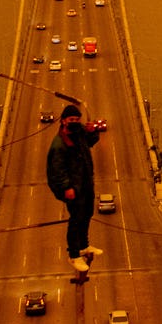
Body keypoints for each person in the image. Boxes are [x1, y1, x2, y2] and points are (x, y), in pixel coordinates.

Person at [46, 104, 102, 272]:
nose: (75, 122)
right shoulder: (60, 144)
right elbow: (57, 169)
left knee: (87, 214)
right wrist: (66, 188)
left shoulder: (79, 133)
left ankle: (84, 245)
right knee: (76, 219)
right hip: (73, 187)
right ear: (63, 121)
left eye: (77, 119)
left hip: (85, 182)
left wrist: (93, 131)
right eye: (72, 120)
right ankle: (74, 254)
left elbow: (91, 142)